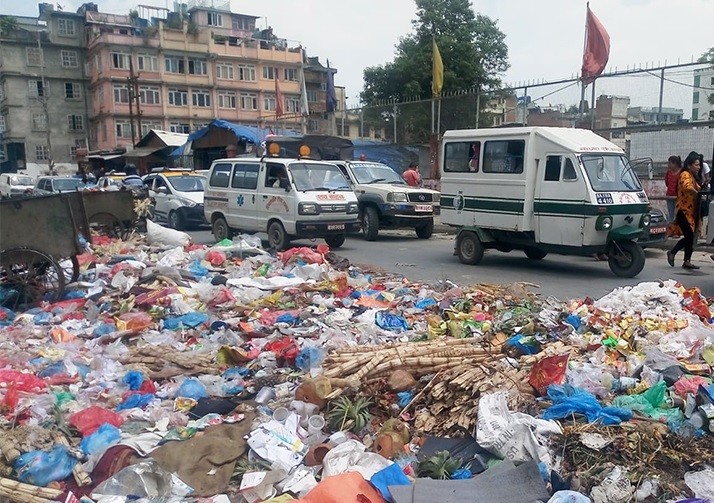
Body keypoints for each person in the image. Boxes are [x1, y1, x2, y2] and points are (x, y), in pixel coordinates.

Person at [667, 154, 702, 270]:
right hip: (683, 211)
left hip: (691, 212)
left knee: (691, 237)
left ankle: (687, 260)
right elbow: (687, 187)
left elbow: (697, 187)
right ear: (689, 165)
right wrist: (697, 194)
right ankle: (672, 252)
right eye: (696, 165)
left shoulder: (692, 176)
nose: (699, 167)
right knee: (689, 236)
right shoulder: (685, 175)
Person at [664, 155, 682, 222]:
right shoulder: (668, 172)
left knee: (678, 215)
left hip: (678, 197)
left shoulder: (681, 173)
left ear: (675, 164)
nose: (668, 165)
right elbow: (667, 183)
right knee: (671, 215)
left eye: (669, 163)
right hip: (669, 196)